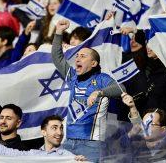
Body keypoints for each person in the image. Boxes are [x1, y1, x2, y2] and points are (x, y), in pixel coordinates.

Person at [51, 19, 124, 162]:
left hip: (92, 144)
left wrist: (99, 92)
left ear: (93, 63)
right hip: (69, 140)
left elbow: (120, 89)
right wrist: (59, 32)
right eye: (77, 56)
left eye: (83, 56)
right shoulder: (72, 76)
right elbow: (57, 58)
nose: (77, 58)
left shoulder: (102, 79)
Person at [0, 115, 86, 161]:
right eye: (54, 128)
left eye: (61, 128)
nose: (59, 132)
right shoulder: (32, 154)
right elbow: (4, 152)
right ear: (43, 132)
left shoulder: (69, 157)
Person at [119, 93, 166, 162]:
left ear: (163, 130)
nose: (145, 127)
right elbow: (119, 145)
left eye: (150, 124)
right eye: (144, 124)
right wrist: (131, 133)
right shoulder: (137, 148)